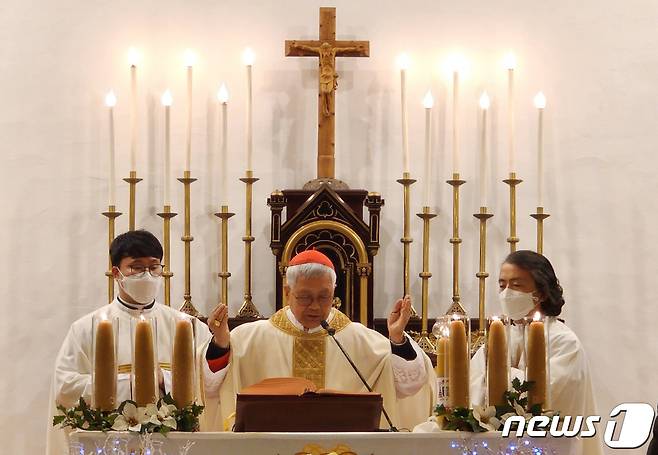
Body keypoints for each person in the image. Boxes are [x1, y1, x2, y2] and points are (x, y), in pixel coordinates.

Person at [203, 249, 435, 430]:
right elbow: (211, 387)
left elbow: (410, 386)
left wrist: (396, 339)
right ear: (287, 292)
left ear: (334, 291)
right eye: (304, 297)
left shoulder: (358, 339)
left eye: (324, 297)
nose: (315, 307)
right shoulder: (249, 339)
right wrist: (221, 344)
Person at [46, 230, 216, 454]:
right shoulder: (86, 329)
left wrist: (165, 380)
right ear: (117, 273)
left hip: (175, 445)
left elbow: (211, 385)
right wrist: (131, 383)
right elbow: (65, 388)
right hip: (110, 445)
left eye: (154, 267)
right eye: (136, 267)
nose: (147, 275)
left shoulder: (187, 326)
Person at [470, 250, 602, 454]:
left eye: (516, 285)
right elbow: (471, 383)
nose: (506, 292)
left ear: (539, 293)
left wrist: (498, 376)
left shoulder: (563, 341)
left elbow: (548, 391)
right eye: (502, 285)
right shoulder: (499, 336)